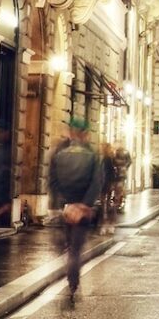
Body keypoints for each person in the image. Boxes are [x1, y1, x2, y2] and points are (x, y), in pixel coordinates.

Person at [48, 118, 102, 301]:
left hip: (65, 208)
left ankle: (70, 276)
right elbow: (97, 183)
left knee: (68, 243)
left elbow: (52, 182)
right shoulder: (93, 155)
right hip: (83, 209)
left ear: (71, 133)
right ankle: (73, 282)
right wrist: (84, 205)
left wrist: (63, 205)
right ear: (85, 134)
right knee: (75, 249)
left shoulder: (59, 154)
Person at [112, 144, 131, 213]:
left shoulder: (125, 152)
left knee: (120, 188)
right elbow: (113, 162)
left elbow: (129, 162)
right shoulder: (115, 152)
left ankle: (120, 202)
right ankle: (117, 202)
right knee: (117, 188)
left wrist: (124, 167)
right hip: (116, 173)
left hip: (121, 173)